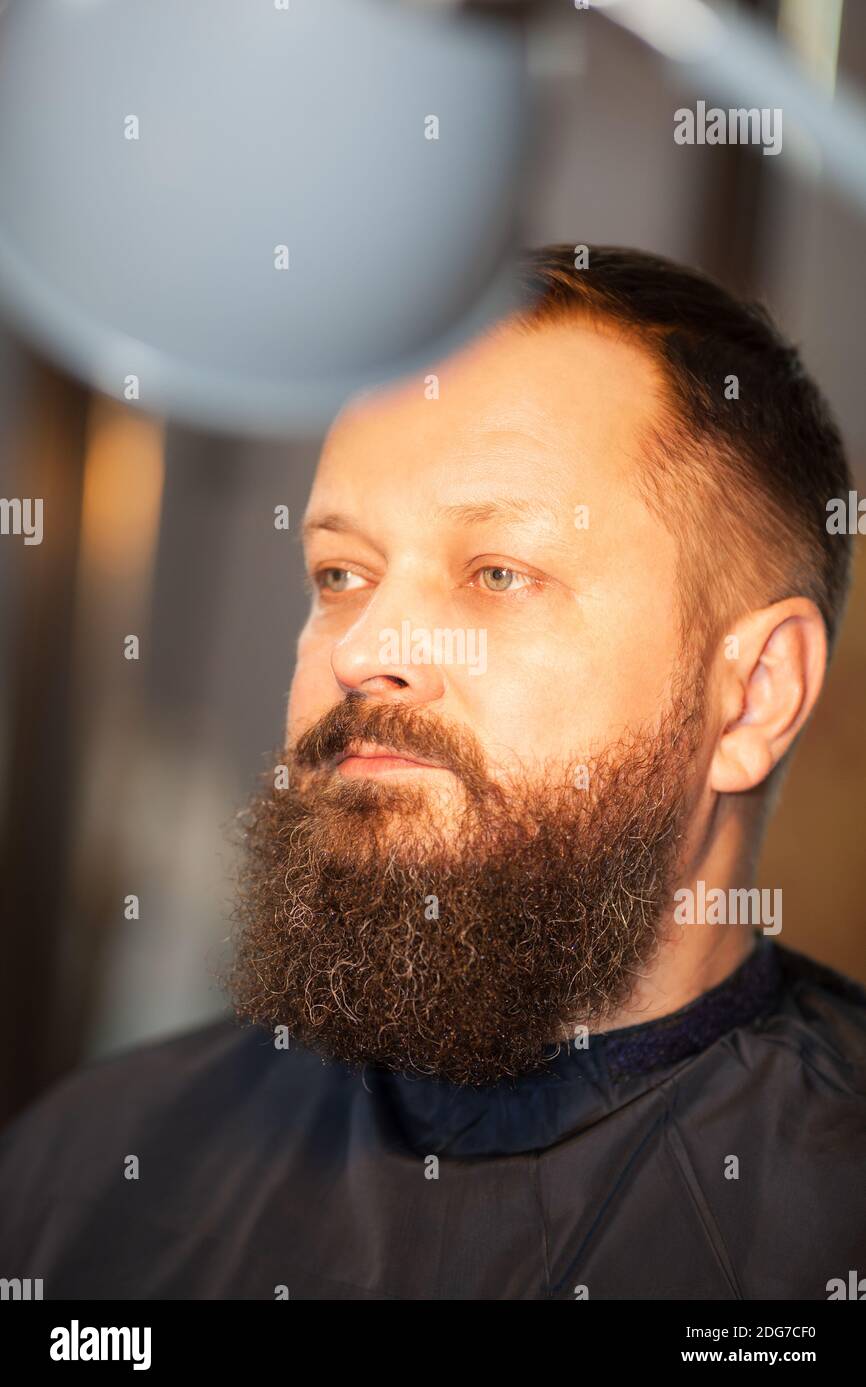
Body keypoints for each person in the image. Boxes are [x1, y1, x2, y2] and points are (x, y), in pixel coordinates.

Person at [1, 245, 864, 1300]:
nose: (362, 649)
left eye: (497, 572)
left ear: (753, 693)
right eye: (340, 574)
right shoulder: (84, 1175)